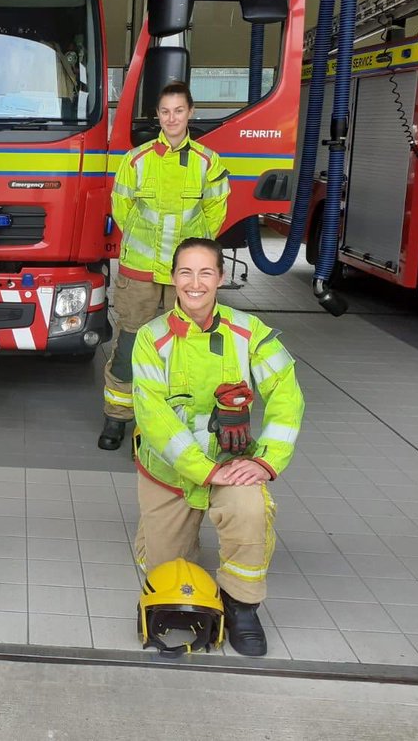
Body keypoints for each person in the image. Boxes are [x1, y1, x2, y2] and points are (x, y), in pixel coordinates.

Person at [131, 238, 304, 656]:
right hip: (172, 472)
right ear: (173, 278)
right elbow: (155, 418)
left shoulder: (249, 332)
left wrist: (265, 461)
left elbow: (287, 395)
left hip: (233, 464)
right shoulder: (151, 338)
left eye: (205, 272)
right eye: (186, 272)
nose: (195, 283)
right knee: (165, 569)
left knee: (250, 510)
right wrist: (205, 470)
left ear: (221, 278)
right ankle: (158, 530)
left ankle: (242, 605)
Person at [98, 81, 230, 451]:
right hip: (140, 272)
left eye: (179, 111)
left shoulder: (207, 162)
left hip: (185, 279)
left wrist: (192, 262)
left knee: (183, 351)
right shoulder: (136, 160)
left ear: (191, 113)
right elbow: (122, 210)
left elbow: (215, 214)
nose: (172, 118)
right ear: (157, 115)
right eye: (165, 111)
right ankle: (116, 418)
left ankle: (172, 427)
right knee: (128, 347)